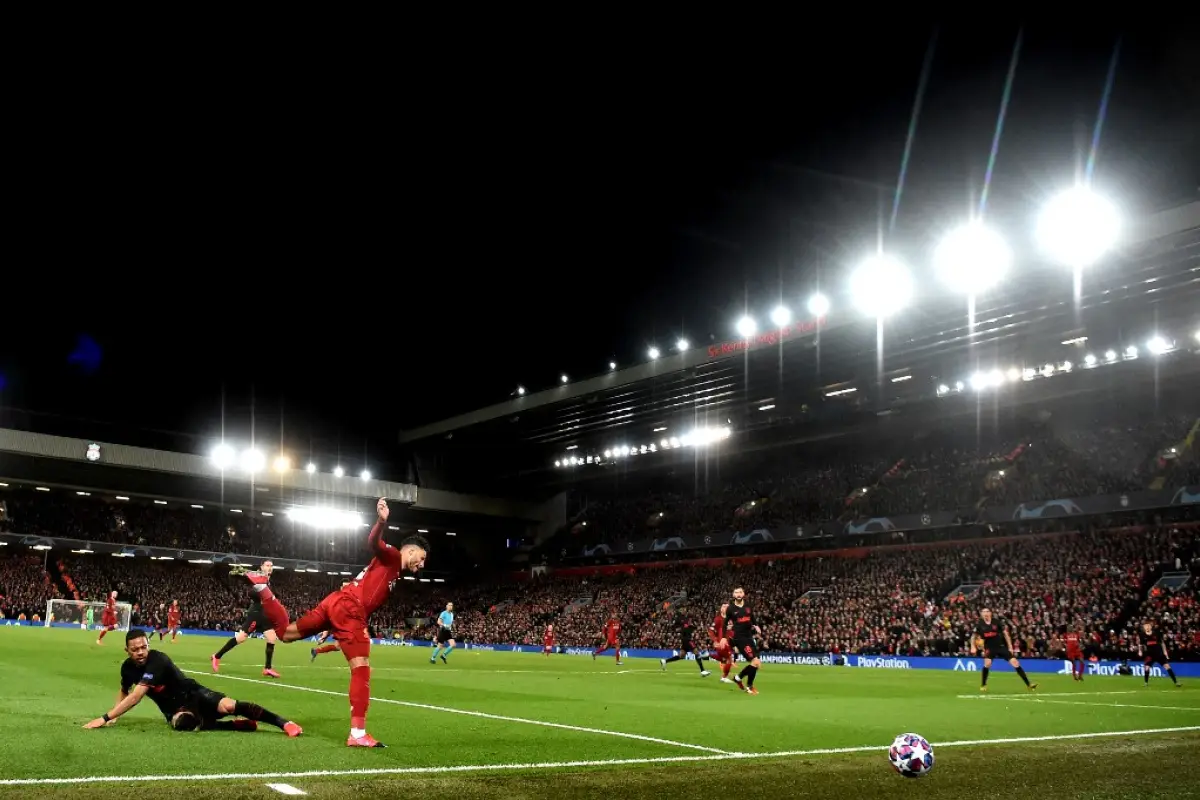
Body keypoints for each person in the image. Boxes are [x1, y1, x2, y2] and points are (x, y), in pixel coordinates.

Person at [250, 497, 428, 748]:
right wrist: (381, 521)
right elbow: (373, 542)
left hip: (337, 603)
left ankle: (264, 592)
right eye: (421, 558)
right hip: (349, 608)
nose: (421, 564)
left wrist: (335, 624)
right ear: (410, 550)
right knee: (361, 667)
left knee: (285, 634)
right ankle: (357, 734)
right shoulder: (391, 557)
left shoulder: (393, 570)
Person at [82, 629, 302, 736]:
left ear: (148, 645)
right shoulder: (127, 668)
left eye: (143, 647)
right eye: (135, 649)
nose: (141, 652)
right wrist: (114, 716)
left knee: (229, 706)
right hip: (175, 710)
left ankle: (283, 723)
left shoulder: (157, 659)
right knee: (182, 723)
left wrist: (104, 718)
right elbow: (124, 690)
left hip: (193, 693)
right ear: (127, 651)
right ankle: (232, 725)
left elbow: (136, 696)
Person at [211, 560, 282, 678]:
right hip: (256, 613)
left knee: (271, 638)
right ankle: (217, 656)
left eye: (271, 566)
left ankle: (267, 668)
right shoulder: (258, 577)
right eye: (267, 565)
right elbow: (250, 586)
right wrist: (241, 574)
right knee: (241, 638)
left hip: (264, 614)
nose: (270, 568)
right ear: (261, 567)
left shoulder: (267, 581)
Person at [970, 608, 1037, 692]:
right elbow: (973, 637)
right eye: (983, 612)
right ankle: (983, 685)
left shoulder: (996, 622)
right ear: (981, 614)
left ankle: (1029, 684)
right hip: (989, 647)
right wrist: (973, 646)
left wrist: (1010, 647)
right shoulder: (979, 625)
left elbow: (1005, 634)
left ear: (990, 613)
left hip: (1000, 647)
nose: (985, 613)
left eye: (987, 611)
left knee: (1015, 663)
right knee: (987, 664)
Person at [725, 588, 762, 694]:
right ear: (733, 595)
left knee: (757, 664)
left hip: (749, 637)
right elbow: (725, 623)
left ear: (743, 594)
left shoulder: (748, 605)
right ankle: (746, 683)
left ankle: (741, 679)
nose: (739, 594)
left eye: (740, 592)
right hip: (739, 638)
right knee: (755, 662)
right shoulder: (731, 608)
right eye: (736, 592)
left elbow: (752, 617)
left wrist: (756, 625)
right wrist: (723, 637)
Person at [660, 607, 710, 676]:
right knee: (696, 652)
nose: (685, 611)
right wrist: (678, 628)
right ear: (680, 610)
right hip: (687, 639)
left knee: (682, 656)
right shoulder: (680, 618)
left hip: (685, 638)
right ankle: (702, 671)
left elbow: (687, 627)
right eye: (683, 610)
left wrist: (693, 627)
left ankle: (665, 661)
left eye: (685, 610)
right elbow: (674, 626)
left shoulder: (685, 618)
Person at [1140, 620, 1181, 688]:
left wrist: (1165, 652)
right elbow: (1140, 644)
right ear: (1144, 627)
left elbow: (1162, 643)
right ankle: (1146, 683)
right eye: (1145, 626)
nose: (1147, 627)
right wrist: (1140, 651)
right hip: (1150, 655)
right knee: (1146, 668)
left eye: (1148, 626)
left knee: (1167, 667)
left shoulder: (1156, 633)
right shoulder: (1142, 635)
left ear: (1151, 627)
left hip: (1159, 654)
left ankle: (1176, 682)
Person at [708, 603, 735, 683]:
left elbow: (732, 631)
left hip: (729, 642)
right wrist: (715, 640)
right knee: (729, 660)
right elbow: (711, 630)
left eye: (727, 606)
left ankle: (709, 655)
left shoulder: (731, 619)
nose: (726, 608)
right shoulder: (718, 619)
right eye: (724, 606)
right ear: (721, 609)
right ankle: (724, 677)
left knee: (724, 659)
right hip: (722, 643)